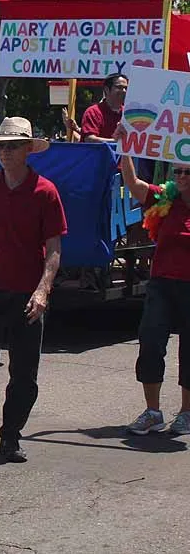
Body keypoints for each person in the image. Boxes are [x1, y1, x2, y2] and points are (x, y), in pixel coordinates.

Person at [0, 117, 67, 464]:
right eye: (1, 146)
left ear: (28, 150)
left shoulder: (45, 191)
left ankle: (11, 435)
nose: (5, 152)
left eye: (12, 146)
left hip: (27, 294)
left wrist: (43, 290)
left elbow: (54, 247)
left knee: (24, 373)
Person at [114, 127, 190, 435]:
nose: (181, 176)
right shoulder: (166, 198)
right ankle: (152, 411)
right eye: (178, 171)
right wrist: (125, 148)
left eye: (187, 172)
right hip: (161, 284)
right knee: (150, 342)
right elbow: (134, 185)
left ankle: (186, 413)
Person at [80, 73, 127, 143]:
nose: (124, 91)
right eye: (119, 87)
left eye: (126, 88)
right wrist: (115, 142)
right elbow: (89, 139)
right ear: (107, 89)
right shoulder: (93, 112)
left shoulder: (129, 113)